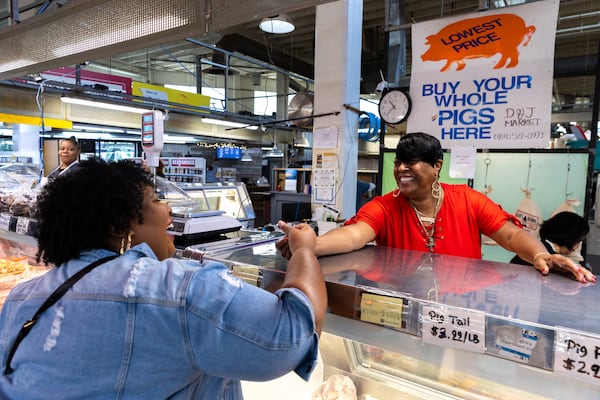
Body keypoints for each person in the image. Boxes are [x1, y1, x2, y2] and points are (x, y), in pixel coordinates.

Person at [0, 158, 326, 399]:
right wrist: (304, 251)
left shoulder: (22, 298)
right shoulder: (179, 287)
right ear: (120, 225)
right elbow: (294, 334)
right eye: (156, 200)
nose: (169, 209)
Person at [277, 132, 595, 284]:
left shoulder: (468, 200)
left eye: (411, 161)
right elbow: (355, 236)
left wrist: (540, 255)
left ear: (436, 165)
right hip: (398, 303)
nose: (401, 168)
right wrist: (310, 245)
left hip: (460, 307)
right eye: (399, 161)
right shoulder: (386, 206)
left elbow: (510, 236)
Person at [510, 211, 590, 269]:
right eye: (579, 240)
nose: (578, 246)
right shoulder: (551, 258)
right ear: (571, 238)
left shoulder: (538, 247)